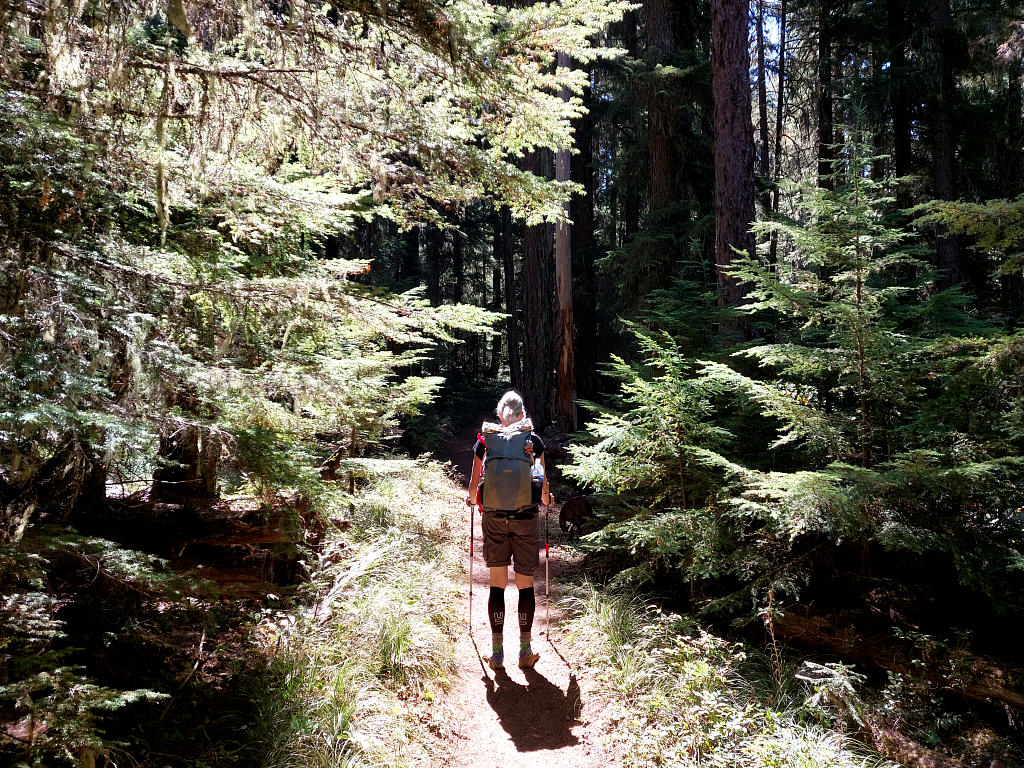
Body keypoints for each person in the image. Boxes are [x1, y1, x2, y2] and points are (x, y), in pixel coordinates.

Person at [466, 390, 550, 671]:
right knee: (525, 586)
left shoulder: (486, 441)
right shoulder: (532, 440)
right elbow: (543, 485)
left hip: (494, 518)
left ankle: (498, 652)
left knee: (497, 584)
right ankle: (525, 650)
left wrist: (471, 498)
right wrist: (547, 499)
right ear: (522, 415)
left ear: (500, 415)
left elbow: (474, 482)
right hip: (525, 518)